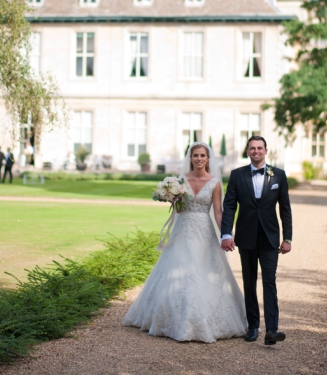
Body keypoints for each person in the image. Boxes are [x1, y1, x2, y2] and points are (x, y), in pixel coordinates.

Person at [122, 142, 246, 342]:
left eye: (202, 156)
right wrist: (169, 196)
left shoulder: (214, 183)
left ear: (208, 159)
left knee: (204, 270)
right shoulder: (179, 180)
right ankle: (171, 320)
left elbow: (218, 212)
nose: (199, 159)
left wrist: (226, 235)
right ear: (190, 158)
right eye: (195, 155)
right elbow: (178, 209)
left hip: (204, 231)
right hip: (183, 230)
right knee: (177, 269)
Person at [220, 136, 292, 345]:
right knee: (249, 283)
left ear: (266, 151)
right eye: (252, 148)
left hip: (270, 238)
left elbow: (285, 209)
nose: (256, 151)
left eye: (259, 148)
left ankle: (272, 330)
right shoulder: (237, 175)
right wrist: (226, 233)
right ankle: (253, 326)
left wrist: (287, 238)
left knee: (269, 281)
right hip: (246, 236)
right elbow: (230, 206)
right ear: (248, 151)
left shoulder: (278, 174)